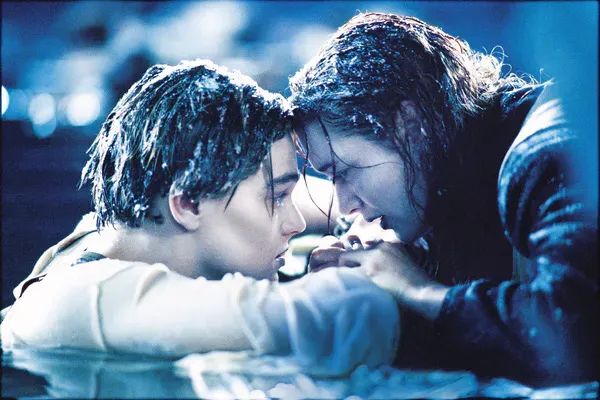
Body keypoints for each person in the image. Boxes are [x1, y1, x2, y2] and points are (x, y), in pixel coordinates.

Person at [1, 59, 399, 376]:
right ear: (188, 204)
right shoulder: (87, 298)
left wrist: (367, 212)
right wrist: (391, 272)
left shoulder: (122, 229)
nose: (295, 222)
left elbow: (289, 198)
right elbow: (350, 315)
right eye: (278, 197)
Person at [289, 13, 598, 384]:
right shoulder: (456, 173)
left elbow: (575, 334)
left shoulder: (546, 157)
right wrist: (403, 272)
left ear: (407, 124)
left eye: (346, 171)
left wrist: (418, 289)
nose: (344, 204)